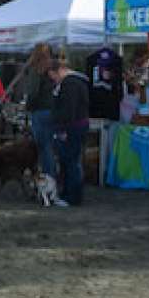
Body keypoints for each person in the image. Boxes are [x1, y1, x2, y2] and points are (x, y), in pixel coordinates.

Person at [49, 56, 90, 207]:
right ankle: (68, 194)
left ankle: (72, 197)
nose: (52, 79)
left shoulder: (70, 84)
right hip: (76, 125)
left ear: (59, 70)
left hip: (72, 127)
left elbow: (68, 110)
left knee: (71, 162)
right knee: (70, 162)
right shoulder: (77, 82)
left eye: (52, 75)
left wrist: (62, 129)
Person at [16, 43, 58, 176]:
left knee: (42, 147)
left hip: (39, 110)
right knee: (49, 146)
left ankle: (47, 176)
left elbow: (33, 92)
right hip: (52, 110)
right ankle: (51, 174)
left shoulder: (36, 70)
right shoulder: (53, 68)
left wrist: (27, 106)